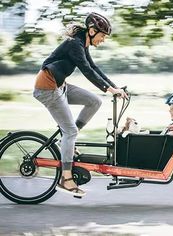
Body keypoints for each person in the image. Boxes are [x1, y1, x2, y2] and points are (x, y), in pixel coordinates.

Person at [33, 12, 128, 197]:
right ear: (92, 31)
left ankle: (66, 141)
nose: (103, 40)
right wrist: (109, 89)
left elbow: (94, 68)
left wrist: (115, 88)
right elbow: (86, 71)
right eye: (102, 36)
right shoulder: (74, 44)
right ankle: (66, 179)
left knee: (94, 101)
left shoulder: (82, 44)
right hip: (48, 88)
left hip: (60, 85)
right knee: (71, 132)